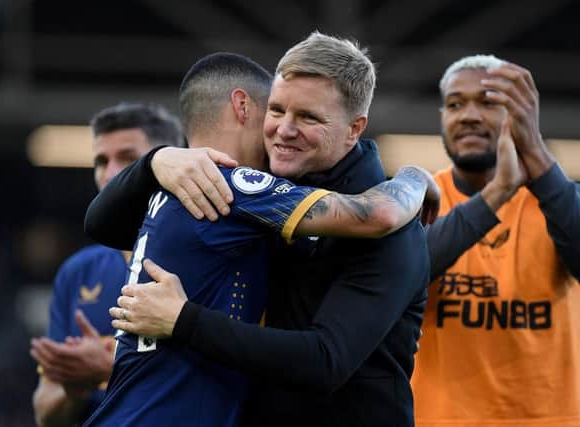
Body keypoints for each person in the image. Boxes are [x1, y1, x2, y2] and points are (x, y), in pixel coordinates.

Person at [85, 32, 432, 427]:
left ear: (354, 129)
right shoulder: (241, 194)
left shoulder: (393, 234)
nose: (284, 129)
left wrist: (184, 321)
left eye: (308, 117)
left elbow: (324, 361)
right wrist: (155, 162)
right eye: (278, 110)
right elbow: (101, 224)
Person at [410, 55, 580, 425]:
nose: (469, 115)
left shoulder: (556, 201)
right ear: (442, 116)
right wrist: (500, 191)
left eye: (488, 102)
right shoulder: (419, 199)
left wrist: (533, 148)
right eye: (455, 104)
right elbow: (409, 269)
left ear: (519, 116)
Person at [29, 102, 184, 427]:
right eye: (101, 161)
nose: (112, 173)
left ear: (169, 162)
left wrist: (108, 367)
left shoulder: (197, 255)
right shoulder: (78, 271)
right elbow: (45, 413)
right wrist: (76, 388)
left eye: (128, 159)